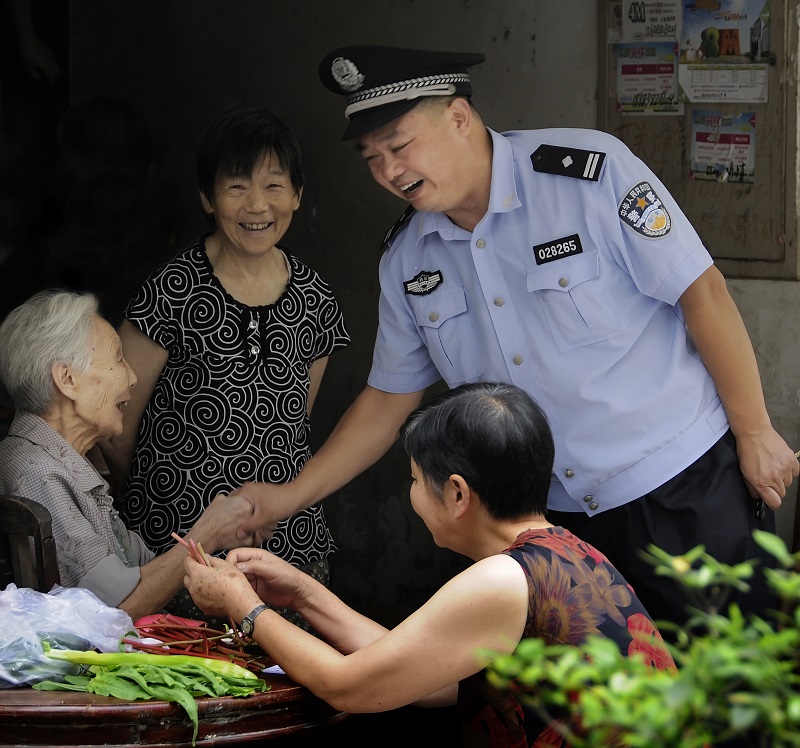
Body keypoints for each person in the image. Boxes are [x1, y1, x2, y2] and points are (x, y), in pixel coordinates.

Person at [232, 44, 799, 627]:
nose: (389, 172)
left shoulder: (588, 176)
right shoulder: (406, 258)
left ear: (458, 117)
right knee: (588, 710)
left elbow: (700, 292)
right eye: (372, 159)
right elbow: (388, 399)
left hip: (680, 487)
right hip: (550, 528)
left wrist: (753, 430)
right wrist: (288, 496)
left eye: (399, 146)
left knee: (728, 695)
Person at [185, 382, 676, 747]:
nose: (412, 494)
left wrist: (244, 607)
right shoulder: (565, 550)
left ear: (458, 493)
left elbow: (348, 687)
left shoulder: (503, 580)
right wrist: (302, 593)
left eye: (416, 479)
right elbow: (430, 678)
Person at [99, 103, 351, 627]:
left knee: (291, 693)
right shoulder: (172, 290)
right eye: (236, 186)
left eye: (274, 185)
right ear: (206, 198)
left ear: (298, 195)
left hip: (286, 551)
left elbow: (295, 422)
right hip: (176, 550)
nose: (256, 205)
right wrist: (158, 494)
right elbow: (114, 423)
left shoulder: (316, 297)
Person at [0, 289, 253, 620]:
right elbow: (116, 608)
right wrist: (207, 533)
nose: (133, 378)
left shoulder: (59, 462)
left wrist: (215, 556)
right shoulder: (37, 472)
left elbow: (141, 569)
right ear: (67, 379)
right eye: (118, 359)